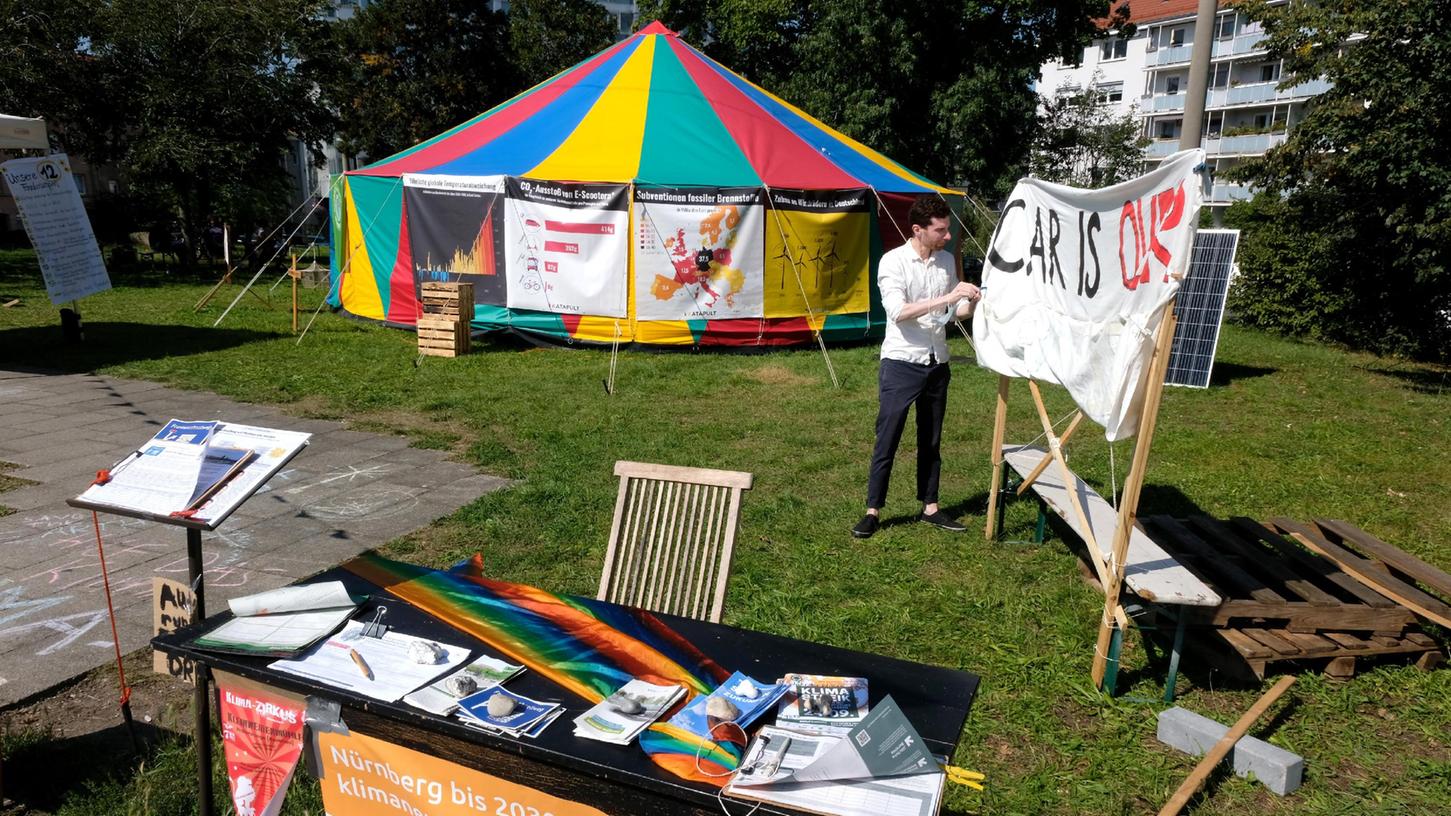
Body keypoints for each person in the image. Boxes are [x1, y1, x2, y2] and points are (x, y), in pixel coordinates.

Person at [852, 196, 981, 539]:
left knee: (932, 439)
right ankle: (872, 510)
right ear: (918, 230)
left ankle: (930, 507)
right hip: (901, 362)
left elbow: (950, 315)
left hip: (937, 362)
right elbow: (898, 311)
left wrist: (972, 302)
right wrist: (950, 298)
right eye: (941, 230)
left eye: (947, 229)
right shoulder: (893, 262)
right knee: (888, 438)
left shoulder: (944, 263)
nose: (948, 236)